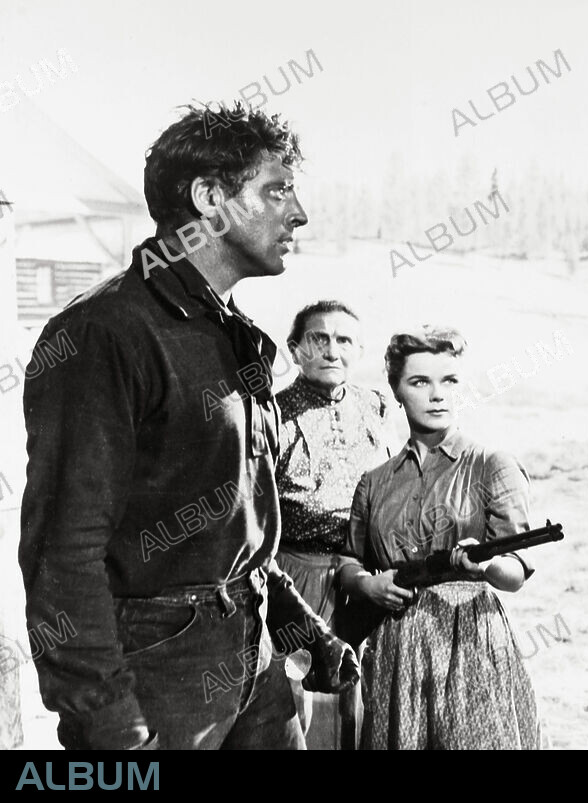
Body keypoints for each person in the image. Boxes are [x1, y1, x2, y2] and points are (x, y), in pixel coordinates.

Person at [19, 102, 358, 751]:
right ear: (209, 198)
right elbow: (62, 554)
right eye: (277, 190)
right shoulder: (103, 333)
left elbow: (239, 526)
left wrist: (302, 629)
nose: (299, 213)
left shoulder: (231, 334)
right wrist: (111, 727)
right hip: (157, 676)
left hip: (257, 664)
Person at [337, 326, 542, 750]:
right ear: (396, 390)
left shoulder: (491, 466)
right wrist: (367, 585)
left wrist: (486, 565)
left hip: (470, 646)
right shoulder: (374, 482)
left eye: (449, 381)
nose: (437, 395)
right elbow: (348, 562)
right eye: (419, 382)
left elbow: (515, 571)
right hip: (396, 649)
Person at [275, 300, 392, 748]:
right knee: (300, 699)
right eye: (318, 339)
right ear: (295, 349)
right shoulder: (273, 415)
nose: (331, 351)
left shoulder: (376, 407)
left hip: (365, 577)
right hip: (299, 575)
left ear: (359, 350)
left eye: (344, 340)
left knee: (363, 699)